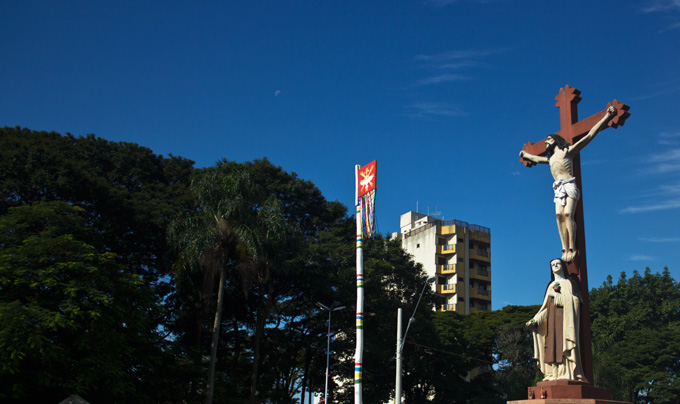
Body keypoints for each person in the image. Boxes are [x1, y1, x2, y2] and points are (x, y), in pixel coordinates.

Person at [519, 106, 617, 262]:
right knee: (559, 216)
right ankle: (564, 248)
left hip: (569, 186)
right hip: (558, 189)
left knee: (567, 214)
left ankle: (572, 247)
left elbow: (589, 135)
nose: (546, 143)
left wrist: (606, 117)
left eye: (549, 140)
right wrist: (526, 154)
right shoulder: (550, 159)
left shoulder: (567, 151)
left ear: (556, 141)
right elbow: (536, 159)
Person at [526, 259, 585, 381]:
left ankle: (566, 372)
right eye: (552, 265)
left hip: (564, 322)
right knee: (552, 347)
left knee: (563, 346)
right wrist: (535, 320)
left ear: (563, 266)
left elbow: (576, 301)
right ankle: (553, 373)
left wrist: (558, 297)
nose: (555, 266)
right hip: (551, 322)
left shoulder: (569, 283)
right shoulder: (550, 286)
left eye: (557, 264)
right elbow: (545, 308)